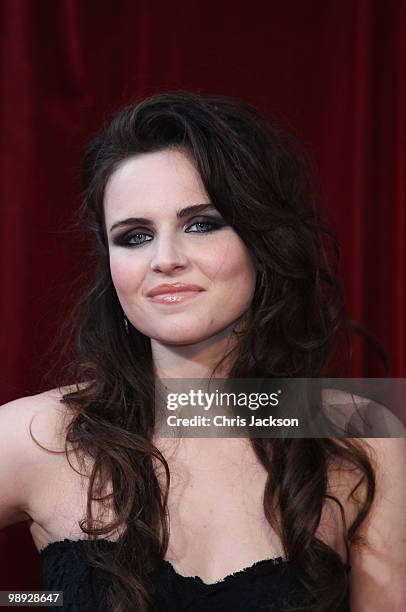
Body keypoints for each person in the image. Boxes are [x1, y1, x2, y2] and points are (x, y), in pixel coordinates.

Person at [0, 91, 404, 612]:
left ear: (263, 240)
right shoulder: (39, 435)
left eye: (201, 224)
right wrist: (40, 600)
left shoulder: (360, 435)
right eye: (135, 236)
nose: (165, 259)